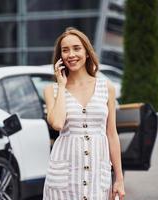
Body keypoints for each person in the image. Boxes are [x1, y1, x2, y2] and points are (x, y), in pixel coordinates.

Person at [42, 27, 125, 200]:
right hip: (64, 179)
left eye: (76, 48)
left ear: (87, 52)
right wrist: (62, 85)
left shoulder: (106, 87)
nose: (71, 54)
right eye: (65, 50)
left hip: (97, 174)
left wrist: (119, 178)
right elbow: (57, 123)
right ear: (60, 57)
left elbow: (111, 134)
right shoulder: (52, 90)